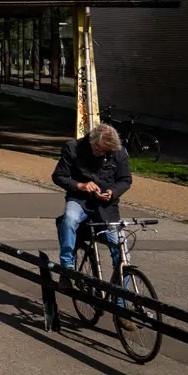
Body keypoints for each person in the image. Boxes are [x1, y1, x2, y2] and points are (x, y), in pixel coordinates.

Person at [54, 123, 132, 296]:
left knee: (122, 251)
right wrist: (80, 185)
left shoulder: (118, 152)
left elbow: (125, 179)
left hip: (106, 207)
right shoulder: (73, 148)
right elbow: (59, 176)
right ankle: (66, 268)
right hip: (79, 200)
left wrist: (112, 192)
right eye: (99, 150)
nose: (102, 153)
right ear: (91, 141)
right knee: (69, 219)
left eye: (106, 152)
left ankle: (121, 302)